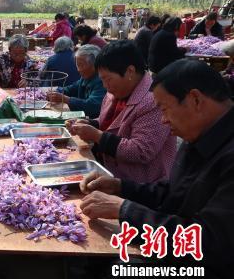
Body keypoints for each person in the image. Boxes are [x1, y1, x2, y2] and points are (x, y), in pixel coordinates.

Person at [79, 59, 234, 278]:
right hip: (179, 251)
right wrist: (121, 188)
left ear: (196, 99)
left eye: (164, 109)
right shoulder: (200, 135)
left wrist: (126, 210)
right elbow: (173, 193)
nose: (162, 120)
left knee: (116, 269)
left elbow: (209, 243)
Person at [66, 40, 176, 183]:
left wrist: (97, 136)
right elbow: (108, 123)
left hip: (141, 185)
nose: (105, 86)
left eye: (108, 79)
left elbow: (141, 150)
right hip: (110, 173)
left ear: (130, 71)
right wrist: (91, 124)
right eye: (102, 80)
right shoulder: (115, 92)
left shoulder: (153, 100)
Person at [46, 44, 106, 119]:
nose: (78, 70)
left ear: (95, 65)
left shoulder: (102, 81)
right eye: (77, 65)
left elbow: (92, 106)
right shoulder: (85, 78)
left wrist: (66, 99)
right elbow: (71, 89)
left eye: (81, 65)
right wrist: (56, 92)